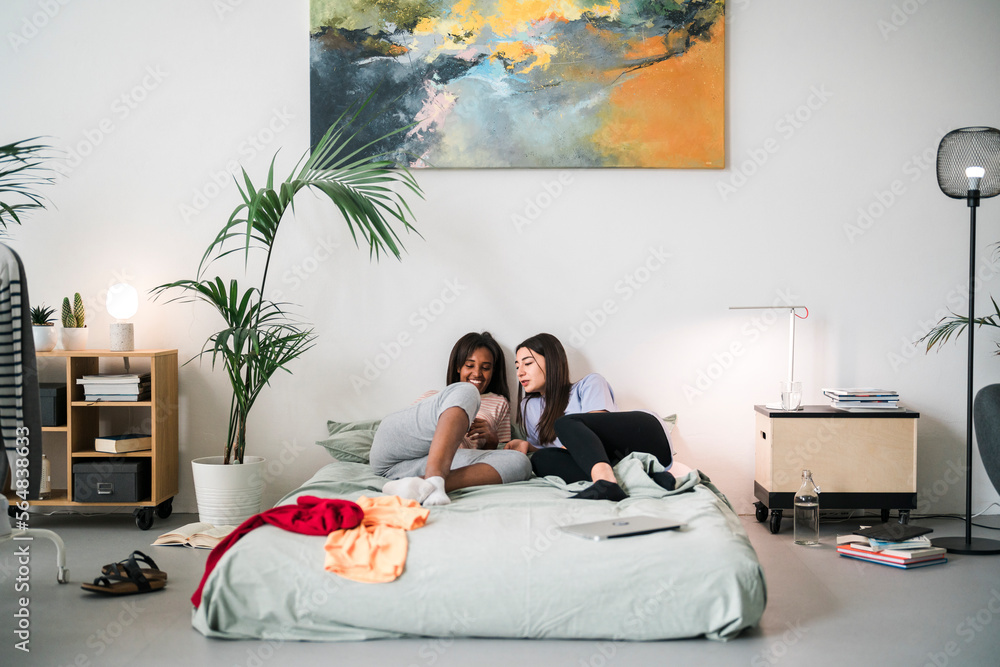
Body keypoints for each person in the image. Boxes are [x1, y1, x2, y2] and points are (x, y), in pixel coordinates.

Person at [505, 333, 675, 501]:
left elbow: (593, 435)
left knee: (565, 424)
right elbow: (557, 452)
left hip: (643, 436)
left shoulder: (589, 383)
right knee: (540, 460)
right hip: (608, 460)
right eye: (517, 366)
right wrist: (529, 447)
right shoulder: (528, 406)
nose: (520, 372)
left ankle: (605, 483)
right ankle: (637, 478)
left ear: (551, 361)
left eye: (528, 363)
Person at [370, 332, 531, 507]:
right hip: (394, 453)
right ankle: (435, 479)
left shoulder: (499, 402)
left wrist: (492, 440)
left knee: (520, 461)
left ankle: (420, 486)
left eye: (485, 368)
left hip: (427, 465)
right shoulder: (435, 397)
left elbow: (492, 457)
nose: (477, 373)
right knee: (467, 392)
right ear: (458, 367)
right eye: (470, 365)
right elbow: (410, 430)